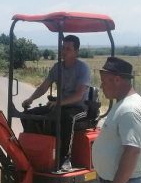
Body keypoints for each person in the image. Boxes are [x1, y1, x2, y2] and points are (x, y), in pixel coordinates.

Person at [21, 35, 91, 170]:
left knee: (66, 118)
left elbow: (78, 96)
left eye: (68, 49)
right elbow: (44, 87)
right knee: (29, 115)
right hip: (60, 105)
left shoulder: (83, 68)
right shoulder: (57, 67)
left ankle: (65, 158)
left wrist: (59, 102)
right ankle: (37, 151)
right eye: (63, 48)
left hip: (79, 108)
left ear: (76, 52)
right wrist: (31, 99)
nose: (64, 51)